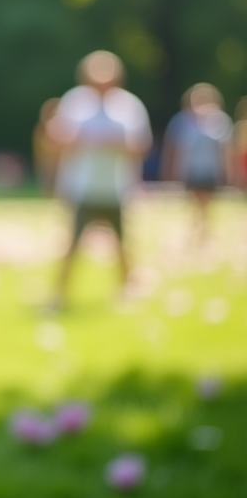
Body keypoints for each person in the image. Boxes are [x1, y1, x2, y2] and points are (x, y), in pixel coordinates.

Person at [49, 51, 152, 309]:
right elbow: (58, 140)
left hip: (116, 186)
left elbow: (141, 145)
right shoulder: (74, 103)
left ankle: (128, 290)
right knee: (72, 243)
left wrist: (108, 142)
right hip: (82, 185)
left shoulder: (129, 106)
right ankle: (59, 295)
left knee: (123, 243)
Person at [161, 83, 234, 244]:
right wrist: (170, 171)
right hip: (190, 168)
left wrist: (228, 173)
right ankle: (200, 228)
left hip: (210, 169)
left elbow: (225, 150)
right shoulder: (182, 121)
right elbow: (173, 148)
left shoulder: (220, 121)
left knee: (206, 200)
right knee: (195, 200)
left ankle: (202, 229)